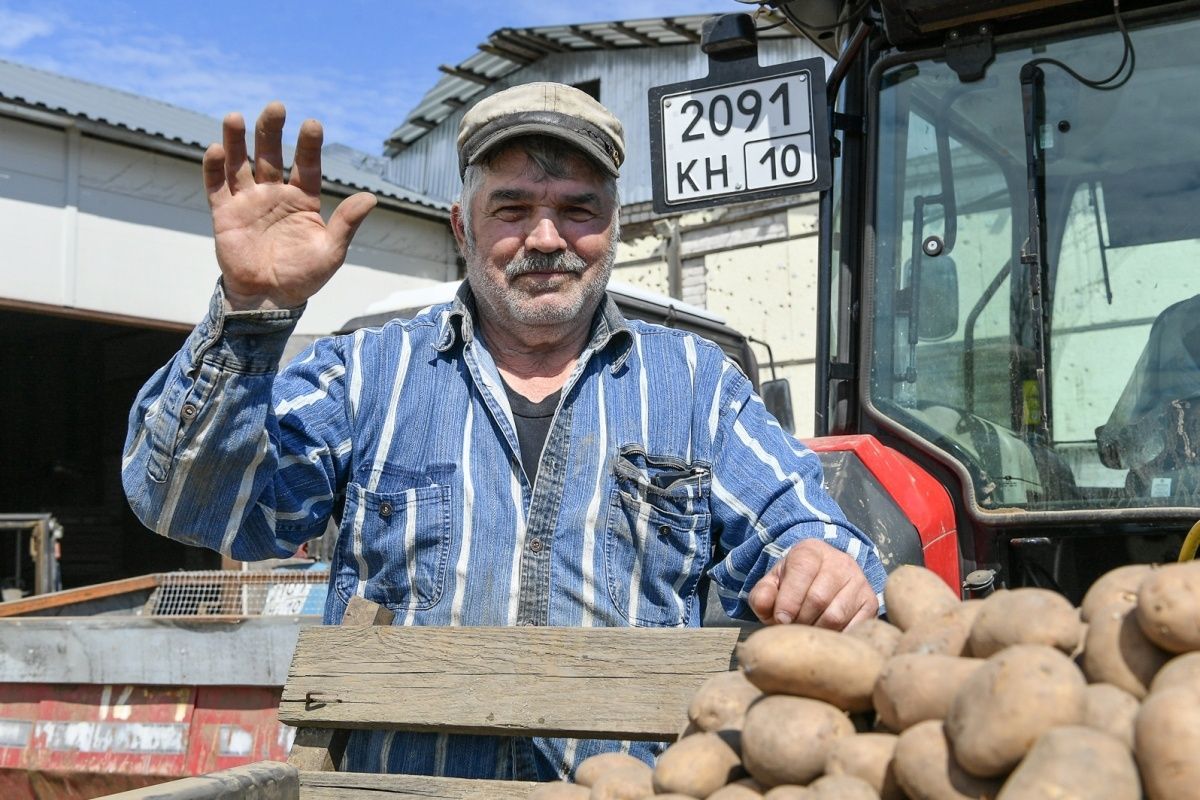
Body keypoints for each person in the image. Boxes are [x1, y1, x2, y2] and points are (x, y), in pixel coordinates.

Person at [122, 82, 886, 779]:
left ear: (613, 227)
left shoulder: (697, 387)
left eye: (578, 209)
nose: (546, 238)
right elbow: (191, 505)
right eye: (513, 209)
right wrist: (251, 311)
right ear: (463, 225)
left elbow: (806, 532)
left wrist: (825, 568)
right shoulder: (365, 376)